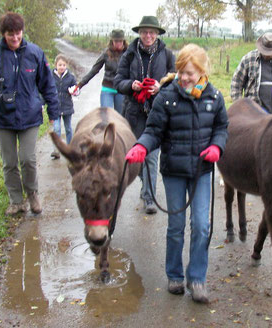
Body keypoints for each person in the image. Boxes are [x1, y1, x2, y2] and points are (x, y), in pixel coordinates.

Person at [125, 44, 228, 303]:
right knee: (176, 225)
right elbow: (153, 131)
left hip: (202, 172)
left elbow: (222, 127)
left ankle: (197, 279)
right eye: (181, 71)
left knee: (202, 226)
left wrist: (217, 146)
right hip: (173, 171)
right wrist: (140, 146)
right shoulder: (166, 97)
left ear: (202, 72)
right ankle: (174, 275)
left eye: (190, 73)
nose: (184, 78)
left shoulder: (214, 98)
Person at [0, 12, 59, 216]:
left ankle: (33, 194)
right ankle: (16, 201)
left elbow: (47, 84)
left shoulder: (35, 53)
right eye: (11, 34)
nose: (15, 38)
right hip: (2, 118)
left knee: (27, 159)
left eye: (18, 33)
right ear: (3, 34)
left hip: (29, 116)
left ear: (22, 32)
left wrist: (53, 110)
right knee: (9, 162)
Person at [113, 16, 175, 214]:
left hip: (157, 112)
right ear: (140, 33)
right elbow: (118, 81)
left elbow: (176, 80)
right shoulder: (129, 54)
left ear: (157, 34)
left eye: (152, 32)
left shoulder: (166, 54)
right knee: (135, 156)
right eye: (145, 32)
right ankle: (144, 184)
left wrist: (161, 86)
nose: (148, 35)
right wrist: (131, 85)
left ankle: (149, 197)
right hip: (133, 113)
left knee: (151, 157)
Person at [77, 29, 127, 113]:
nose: (118, 43)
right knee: (106, 117)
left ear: (124, 41)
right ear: (112, 41)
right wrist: (80, 84)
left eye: (120, 41)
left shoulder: (128, 53)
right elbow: (94, 70)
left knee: (121, 119)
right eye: (116, 41)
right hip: (107, 89)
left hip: (121, 90)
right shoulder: (106, 53)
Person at [51, 54, 77, 159]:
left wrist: (74, 91)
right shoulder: (50, 76)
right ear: (55, 65)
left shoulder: (70, 77)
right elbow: (46, 90)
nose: (62, 67)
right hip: (55, 108)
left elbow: (76, 88)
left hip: (67, 107)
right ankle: (56, 150)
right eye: (60, 65)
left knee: (68, 129)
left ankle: (69, 148)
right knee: (56, 129)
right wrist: (43, 103)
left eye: (64, 65)